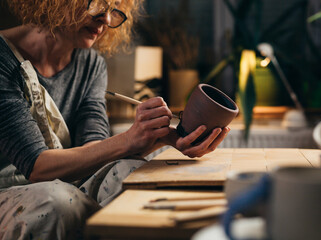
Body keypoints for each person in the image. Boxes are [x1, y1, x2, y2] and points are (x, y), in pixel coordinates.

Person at [0, 0, 230, 239]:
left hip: (63, 182)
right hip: (13, 189)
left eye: (114, 10)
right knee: (58, 204)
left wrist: (163, 137)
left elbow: (95, 148)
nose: (107, 21)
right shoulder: (2, 57)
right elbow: (37, 166)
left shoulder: (91, 65)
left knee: (131, 174)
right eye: (99, 4)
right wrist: (129, 139)